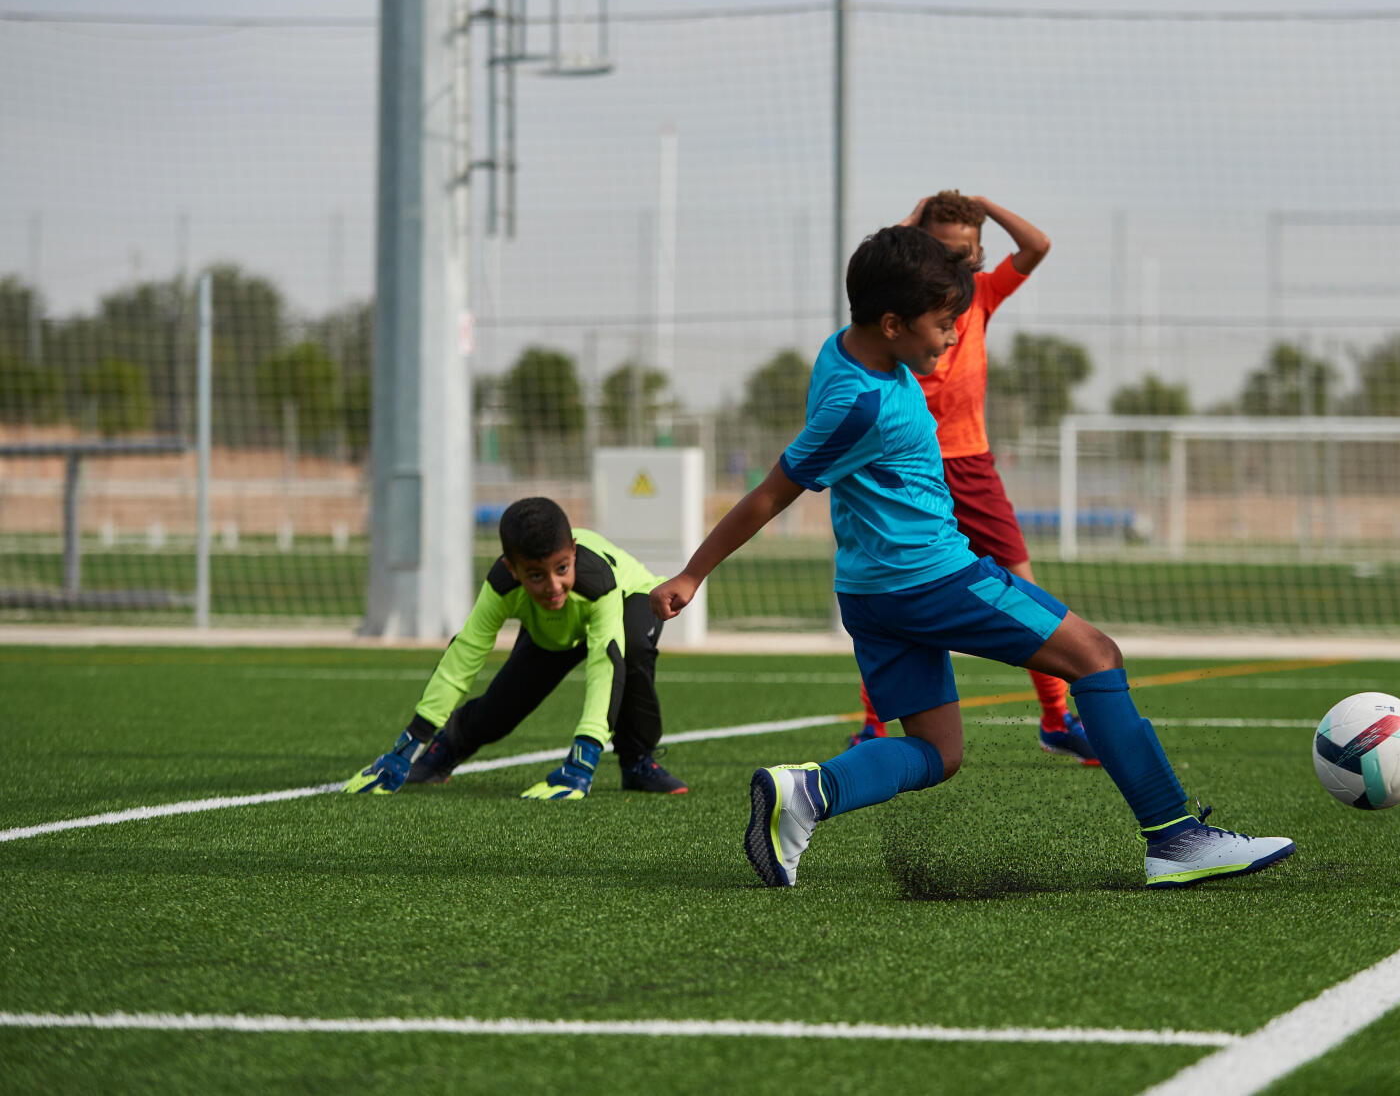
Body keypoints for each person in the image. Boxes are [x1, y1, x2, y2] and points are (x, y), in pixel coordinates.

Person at [651, 226, 1293, 888]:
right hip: (931, 580)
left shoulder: (841, 352)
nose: (954, 336)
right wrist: (694, 572)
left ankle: (810, 794)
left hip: (871, 594)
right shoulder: (861, 405)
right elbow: (769, 494)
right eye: (943, 324)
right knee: (1097, 657)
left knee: (938, 752)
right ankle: (1176, 840)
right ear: (894, 323)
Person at [845, 190, 1097, 765]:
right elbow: (881, 267)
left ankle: (1057, 720)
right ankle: (871, 727)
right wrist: (911, 225)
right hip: (907, 465)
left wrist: (984, 204)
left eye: (967, 251)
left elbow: (1037, 244)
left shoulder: (982, 291)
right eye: (941, 249)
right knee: (894, 588)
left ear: (980, 252)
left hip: (971, 461)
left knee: (1021, 580)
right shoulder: (897, 304)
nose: (956, 261)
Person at [344, 496, 689, 799]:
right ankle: (446, 749)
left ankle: (637, 762)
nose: (553, 585)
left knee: (632, 651)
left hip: (630, 602)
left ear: (573, 552)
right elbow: (464, 656)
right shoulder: (502, 585)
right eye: (536, 575)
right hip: (557, 626)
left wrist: (582, 761)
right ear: (513, 569)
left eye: (562, 568)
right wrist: (408, 744)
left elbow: (605, 664)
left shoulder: (598, 581)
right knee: (504, 705)